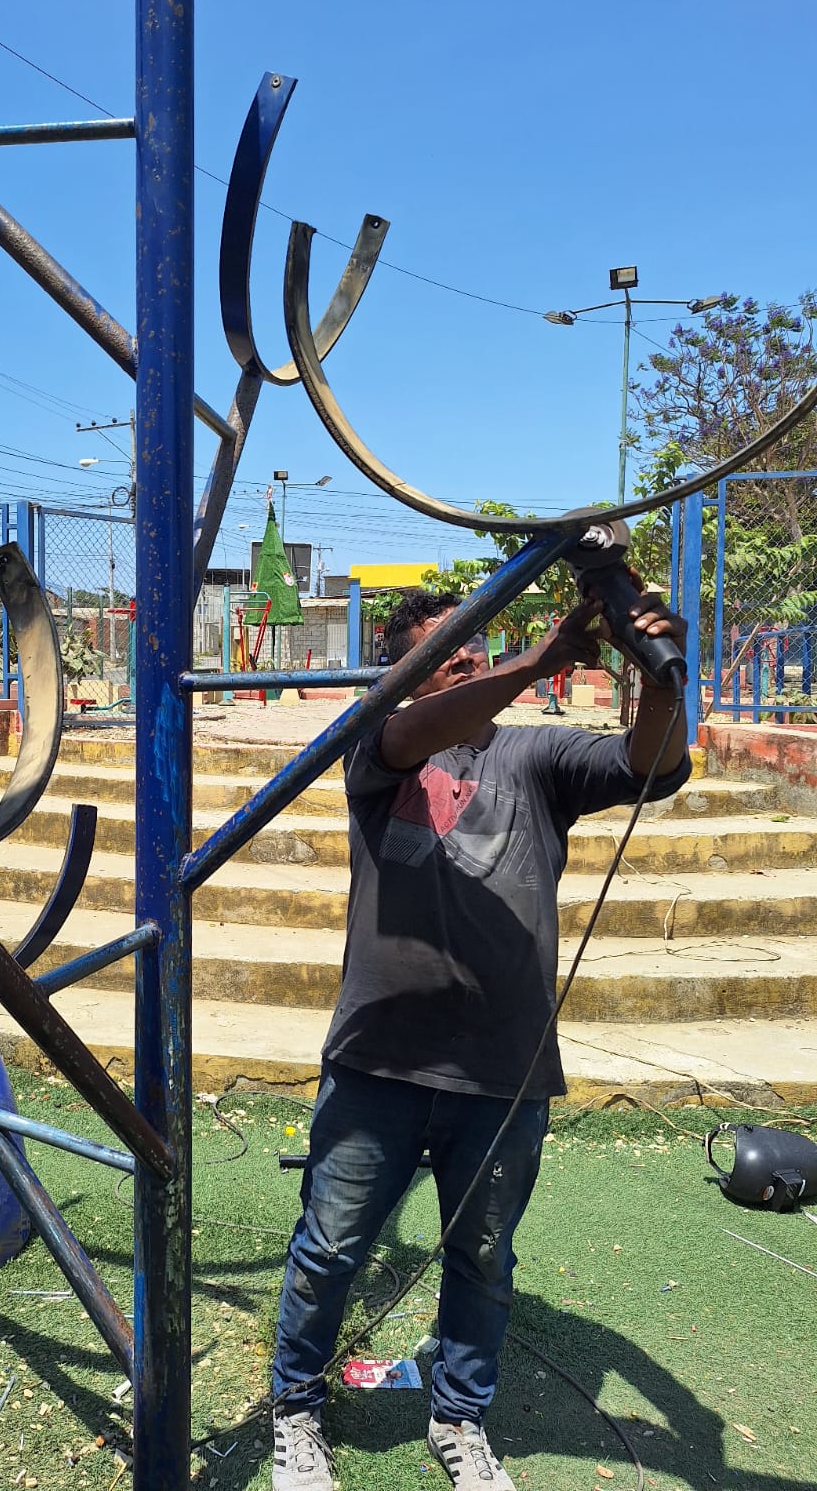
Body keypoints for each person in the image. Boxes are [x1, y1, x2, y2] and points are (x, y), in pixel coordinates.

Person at [271, 584, 690, 1491]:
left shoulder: (536, 755)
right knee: (330, 1249)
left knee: (484, 1258)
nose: (465, 661)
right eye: (442, 653)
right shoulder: (377, 741)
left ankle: (458, 1418)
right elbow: (406, 733)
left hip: (505, 1064)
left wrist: (663, 678)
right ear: (400, 675)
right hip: (379, 1057)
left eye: (474, 647)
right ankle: (295, 1409)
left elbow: (649, 763)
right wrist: (542, 658)